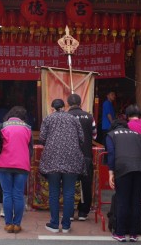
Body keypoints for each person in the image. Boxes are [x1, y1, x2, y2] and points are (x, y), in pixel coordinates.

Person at [39, 98, 84, 234]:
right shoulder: (73, 119)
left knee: (54, 192)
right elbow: (82, 138)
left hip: (52, 159)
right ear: (64, 107)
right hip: (72, 159)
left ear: (52, 108)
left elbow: (42, 138)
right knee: (69, 193)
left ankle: (54, 224)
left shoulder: (48, 119)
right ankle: (66, 225)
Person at [106, 118, 141, 242]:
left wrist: (110, 173)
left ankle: (120, 233)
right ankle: (134, 233)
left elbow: (111, 154)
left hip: (123, 168)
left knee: (122, 201)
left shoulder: (111, 135)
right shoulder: (138, 135)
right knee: (136, 201)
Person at [0, 106, 33, 233]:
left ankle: (8, 224)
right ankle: (17, 224)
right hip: (22, 165)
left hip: (4, 163)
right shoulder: (28, 128)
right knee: (18, 194)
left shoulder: (2, 126)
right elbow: (30, 149)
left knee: (7, 194)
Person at [66, 93, 96, 221]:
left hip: (69, 155)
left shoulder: (66, 117)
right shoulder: (89, 117)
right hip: (86, 154)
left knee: (69, 184)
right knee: (86, 183)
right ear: (80, 103)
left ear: (68, 104)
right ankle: (83, 212)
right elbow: (94, 135)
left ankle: (70, 212)